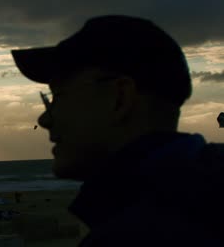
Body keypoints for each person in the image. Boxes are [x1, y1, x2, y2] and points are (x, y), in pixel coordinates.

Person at [11, 15, 224, 246]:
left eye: (57, 97)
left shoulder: (142, 234)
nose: (44, 119)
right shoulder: (201, 198)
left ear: (119, 98)